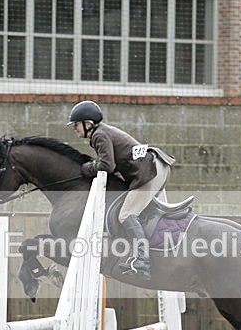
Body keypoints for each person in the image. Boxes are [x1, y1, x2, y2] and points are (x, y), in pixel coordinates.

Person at [67, 100, 175, 280]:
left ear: (88, 123)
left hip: (150, 170)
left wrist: (87, 168)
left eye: (76, 124)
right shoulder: (104, 132)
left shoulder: (99, 135)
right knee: (137, 211)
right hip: (157, 166)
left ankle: (143, 259)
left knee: (126, 215)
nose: (74, 128)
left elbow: (107, 165)